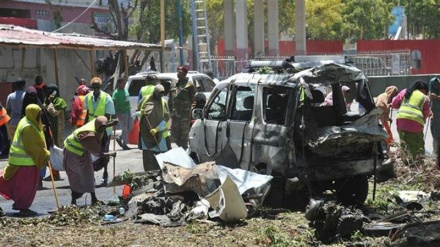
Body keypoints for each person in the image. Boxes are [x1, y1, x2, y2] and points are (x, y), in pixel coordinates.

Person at [0, 104, 50, 216]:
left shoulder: (25, 120)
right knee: (26, 187)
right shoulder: (28, 128)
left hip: (18, 160)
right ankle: (23, 207)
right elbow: (32, 147)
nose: (40, 117)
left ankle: (19, 203)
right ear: (34, 114)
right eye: (39, 115)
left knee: (14, 183)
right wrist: (45, 155)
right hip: (25, 162)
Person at [63, 116, 117, 205]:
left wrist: (110, 124)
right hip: (72, 151)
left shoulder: (96, 123)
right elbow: (98, 153)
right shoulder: (90, 135)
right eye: (101, 128)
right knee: (76, 177)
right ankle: (74, 201)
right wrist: (111, 154)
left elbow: (102, 125)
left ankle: (94, 198)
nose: (102, 130)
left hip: (83, 149)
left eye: (104, 127)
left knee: (89, 173)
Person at [84, 77, 115, 186]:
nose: (96, 89)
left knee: (103, 152)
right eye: (94, 87)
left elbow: (108, 115)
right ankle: (91, 175)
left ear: (100, 87)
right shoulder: (87, 97)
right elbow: (86, 113)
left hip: (104, 128)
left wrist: (102, 127)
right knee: (90, 152)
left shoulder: (107, 98)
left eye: (98, 87)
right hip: (91, 128)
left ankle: (105, 173)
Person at [21, 86, 53, 188]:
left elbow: (47, 124)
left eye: (34, 96)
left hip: (41, 139)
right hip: (29, 139)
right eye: (31, 96)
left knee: (41, 158)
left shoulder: (41, 110)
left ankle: (39, 180)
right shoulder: (25, 111)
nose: (32, 98)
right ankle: (33, 180)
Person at [392, 80, 430, 160]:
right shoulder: (423, 97)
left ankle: (406, 162)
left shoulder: (405, 92)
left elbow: (394, 104)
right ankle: (418, 162)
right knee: (418, 143)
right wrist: (422, 122)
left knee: (404, 143)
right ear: (422, 89)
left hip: (401, 120)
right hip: (416, 122)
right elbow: (426, 112)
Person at [138, 84, 170, 171]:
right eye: (159, 93)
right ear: (154, 92)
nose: (160, 95)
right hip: (146, 135)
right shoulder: (145, 100)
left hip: (159, 136)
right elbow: (136, 113)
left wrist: (157, 129)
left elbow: (166, 118)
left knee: (160, 160)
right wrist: (140, 113)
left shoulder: (163, 102)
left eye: (162, 94)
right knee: (148, 160)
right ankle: (149, 178)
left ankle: (160, 178)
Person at [42, 84, 67, 181]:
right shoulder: (46, 100)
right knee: (50, 150)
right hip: (50, 128)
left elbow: (54, 112)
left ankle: (57, 173)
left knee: (57, 150)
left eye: (50, 90)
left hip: (57, 129)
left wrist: (51, 102)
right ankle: (53, 172)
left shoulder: (60, 101)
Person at [168, 66, 196, 150]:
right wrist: (169, 110)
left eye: (181, 72)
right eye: (178, 72)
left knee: (184, 135)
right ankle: (181, 147)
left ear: (185, 74)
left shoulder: (189, 85)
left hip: (185, 115)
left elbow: (193, 100)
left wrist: (191, 112)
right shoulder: (174, 84)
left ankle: (184, 150)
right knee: (173, 136)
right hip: (175, 114)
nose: (178, 74)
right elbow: (170, 99)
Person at [5, 79, 26, 155]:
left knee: (14, 141)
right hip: (24, 122)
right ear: (24, 85)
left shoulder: (10, 96)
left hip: (13, 122)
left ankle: (14, 156)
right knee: (23, 141)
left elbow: (8, 109)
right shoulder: (26, 95)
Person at [112, 78, 132, 150]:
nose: (124, 84)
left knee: (130, 127)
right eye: (123, 83)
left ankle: (119, 137)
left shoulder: (125, 90)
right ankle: (125, 144)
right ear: (119, 83)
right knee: (125, 129)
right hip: (121, 112)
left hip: (128, 111)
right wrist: (113, 112)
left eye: (124, 83)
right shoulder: (116, 93)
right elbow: (113, 102)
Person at [429, 77, 440, 164]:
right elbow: (427, 107)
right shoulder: (429, 95)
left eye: (438, 84)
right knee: (435, 138)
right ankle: (435, 155)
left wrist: (437, 97)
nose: (436, 86)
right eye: (435, 85)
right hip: (435, 119)